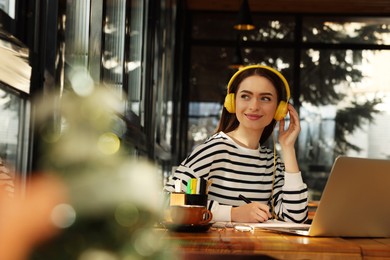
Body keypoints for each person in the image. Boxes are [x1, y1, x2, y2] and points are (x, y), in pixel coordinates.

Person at [164, 65, 308, 223]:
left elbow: (295, 218)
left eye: (265, 98)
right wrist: (232, 214)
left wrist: (288, 148)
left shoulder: (272, 163)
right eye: (246, 96)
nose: (254, 106)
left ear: (279, 109)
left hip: (257, 247)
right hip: (212, 247)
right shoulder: (215, 148)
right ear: (232, 102)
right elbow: (166, 201)